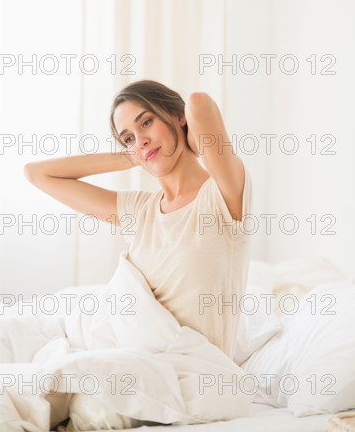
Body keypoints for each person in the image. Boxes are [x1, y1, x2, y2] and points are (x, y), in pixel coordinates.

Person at [25, 79, 252, 361]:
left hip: (193, 371)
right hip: (126, 352)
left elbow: (198, 102)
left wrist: (190, 138)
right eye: (128, 138)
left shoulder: (222, 194)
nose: (140, 139)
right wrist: (133, 156)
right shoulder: (139, 210)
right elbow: (36, 173)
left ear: (178, 117)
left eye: (146, 123)